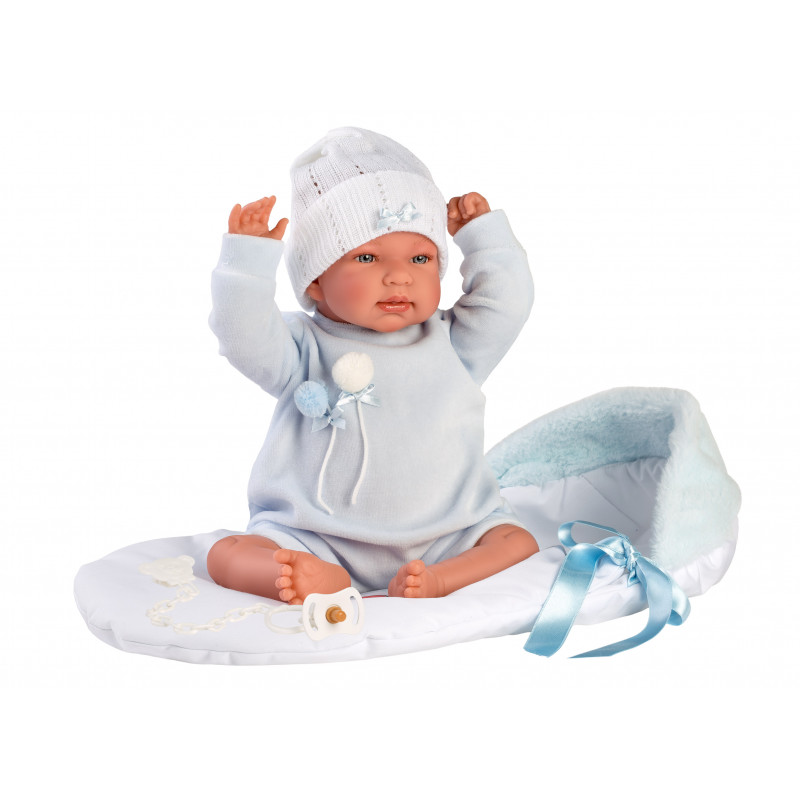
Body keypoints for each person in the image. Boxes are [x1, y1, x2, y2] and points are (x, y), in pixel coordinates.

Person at [206, 127, 539, 604]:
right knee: (228, 553)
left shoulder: (456, 342)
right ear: (315, 281)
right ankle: (319, 577)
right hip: (316, 537)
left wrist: (484, 239)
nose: (399, 275)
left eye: (420, 257)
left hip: (449, 534)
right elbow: (241, 334)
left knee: (515, 541)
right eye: (367, 257)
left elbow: (508, 304)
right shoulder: (300, 348)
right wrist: (246, 262)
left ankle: (442, 579)